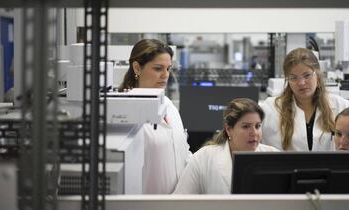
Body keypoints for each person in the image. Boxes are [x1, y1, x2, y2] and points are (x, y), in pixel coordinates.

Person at [119, 39, 191, 194]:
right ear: (137, 67)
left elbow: (183, 152)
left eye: (168, 68)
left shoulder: (168, 105)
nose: (166, 75)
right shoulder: (123, 113)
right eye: (158, 68)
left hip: (177, 202)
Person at [173, 98, 278, 194]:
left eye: (257, 126)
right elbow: (179, 202)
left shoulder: (274, 157)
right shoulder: (203, 158)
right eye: (246, 126)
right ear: (229, 129)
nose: (254, 132)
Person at [261, 48, 349, 151]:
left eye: (307, 75)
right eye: (293, 77)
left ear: (317, 75)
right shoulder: (270, 109)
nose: (301, 83)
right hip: (283, 167)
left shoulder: (341, 106)